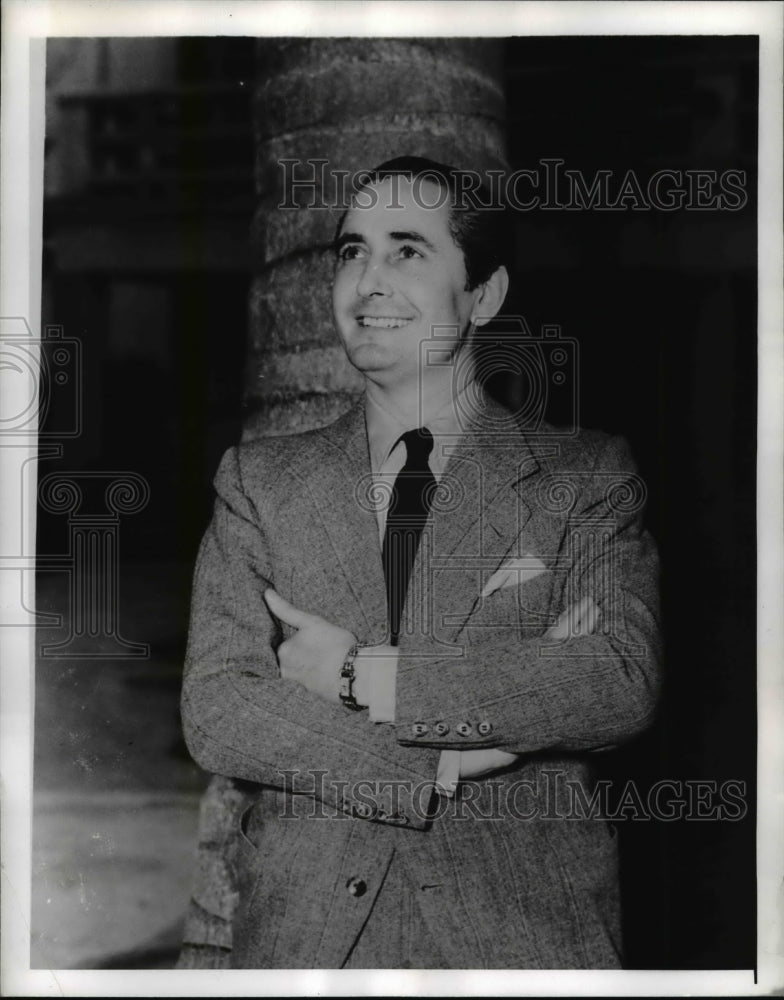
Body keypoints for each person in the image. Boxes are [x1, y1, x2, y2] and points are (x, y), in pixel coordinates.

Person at [180, 156, 661, 969]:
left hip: (519, 935)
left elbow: (616, 679)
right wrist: (443, 761)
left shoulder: (585, 477)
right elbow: (220, 707)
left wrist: (365, 674)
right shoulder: (260, 482)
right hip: (311, 942)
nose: (368, 280)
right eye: (351, 250)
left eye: (407, 250)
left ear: (484, 295)